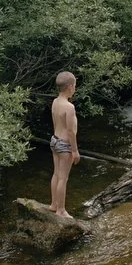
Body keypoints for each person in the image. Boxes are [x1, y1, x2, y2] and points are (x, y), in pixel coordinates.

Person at [49, 70, 80, 218]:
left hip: (54, 140)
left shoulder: (55, 102)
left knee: (56, 174)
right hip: (64, 145)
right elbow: (70, 131)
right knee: (63, 178)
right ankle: (61, 210)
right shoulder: (69, 107)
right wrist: (74, 151)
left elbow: (56, 123)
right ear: (69, 87)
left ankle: (54, 204)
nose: (75, 88)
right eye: (74, 86)